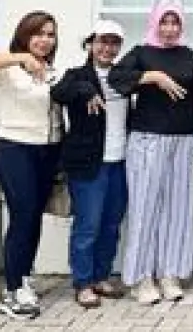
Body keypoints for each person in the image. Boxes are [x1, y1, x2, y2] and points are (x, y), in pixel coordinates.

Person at [108, 0, 193, 305]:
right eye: (164, 22)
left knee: (178, 211)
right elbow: (116, 78)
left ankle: (170, 273)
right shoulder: (141, 53)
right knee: (145, 208)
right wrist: (151, 77)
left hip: (183, 140)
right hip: (148, 139)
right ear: (155, 23)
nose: (170, 29)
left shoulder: (191, 57)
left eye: (175, 23)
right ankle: (141, 277)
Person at [0, 11, 63, 321]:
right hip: (16, 148)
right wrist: (20, 58)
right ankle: (12, 289)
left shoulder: (53, 71)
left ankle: (23, 276)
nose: (45, 40)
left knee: (34, 217)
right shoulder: (9, 70)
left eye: (50, 34)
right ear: (25, 36)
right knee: (22, 214)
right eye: (38, 33)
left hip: (48, 149)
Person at [50, 19, 133, 309]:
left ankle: (101, 276)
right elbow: (58, 93)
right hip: (89, 165)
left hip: (120, 161)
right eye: (102, 41)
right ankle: (83, 282)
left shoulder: (124, 76)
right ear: (90, 44)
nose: (107, 48)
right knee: (88, 225)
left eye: (114, 43)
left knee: (111, 224)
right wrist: (86, 89)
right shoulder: (77, 75)